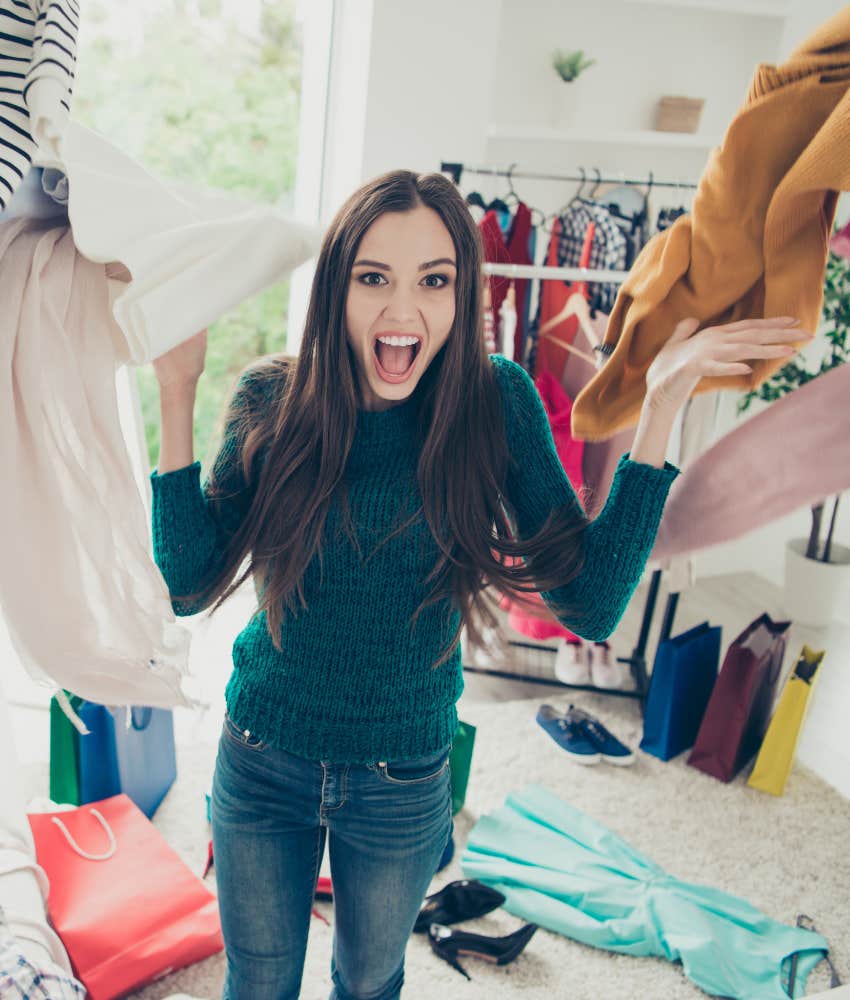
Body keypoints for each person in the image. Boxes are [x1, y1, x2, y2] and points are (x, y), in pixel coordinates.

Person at [149, 169, 811, 1000]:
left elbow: (592, 601)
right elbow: (187, 582)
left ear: (463, 295)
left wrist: (663, 402)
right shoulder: (272, 400)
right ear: (335, 291)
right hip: (262, 755)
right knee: (261, 980)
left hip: (401, 775)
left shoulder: (494, 401)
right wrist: (176, 390)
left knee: (369, 980)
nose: (403, 310)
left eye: (434, 280)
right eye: (373, 278)